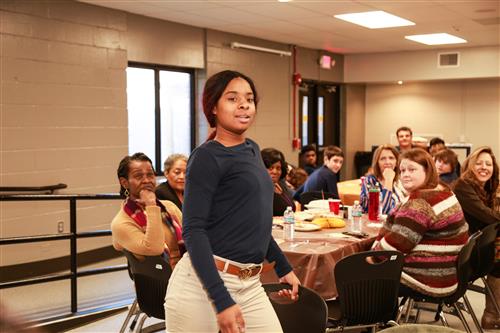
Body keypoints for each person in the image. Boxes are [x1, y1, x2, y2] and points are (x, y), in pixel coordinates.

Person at [164, 70, 300, 333]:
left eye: (249, 98)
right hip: (202, 286)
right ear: (213, 107)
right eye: (232, 98)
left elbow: (256, 224)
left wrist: (283, 268)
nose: (244, 104)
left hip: (249, 283)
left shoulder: (252, 149)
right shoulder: (206, 157)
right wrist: (221, 300)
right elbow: (193, 231)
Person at [372, 148, 468, 298]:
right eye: (402, 170)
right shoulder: (442, 190)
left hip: (428, 279)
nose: (405, 175)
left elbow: (392, 248)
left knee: (357, 272)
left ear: (427, 171)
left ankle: (377, 319)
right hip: (445, 273)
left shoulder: (420, 202)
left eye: (412, 169)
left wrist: (371, 256)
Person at [453, 146, 500, 329]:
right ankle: (492, 315)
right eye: (479, 163)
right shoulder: (463, 186)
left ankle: (492, 315)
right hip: (463, 253)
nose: (484, 167)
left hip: (479, 247)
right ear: (470, 166)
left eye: (488, 164)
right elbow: (487, 216)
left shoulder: (487, 188)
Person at [111, 152, 184, 268]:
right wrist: (151, 206)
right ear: (124, 182)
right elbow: (155, 248)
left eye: (150, 175)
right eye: (139, 176)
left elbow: (191, 235)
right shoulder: (121, 222)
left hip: (185, 270)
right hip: (161, 278)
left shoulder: (169, 207)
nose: (147, 180)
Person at [360, 144, 405, 215]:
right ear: (377, 163)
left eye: (391, 158)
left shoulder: (400, 181)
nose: (387, 162)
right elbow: (382, 212)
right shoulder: (370, 181)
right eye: (383, 159)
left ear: (397, 162)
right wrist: (388, 181)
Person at [261, 148, 297, 216]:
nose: (275, 172)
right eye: (270, 168)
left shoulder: (280, 184)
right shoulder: (258, 189)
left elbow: (292, 207)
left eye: (278, 168)